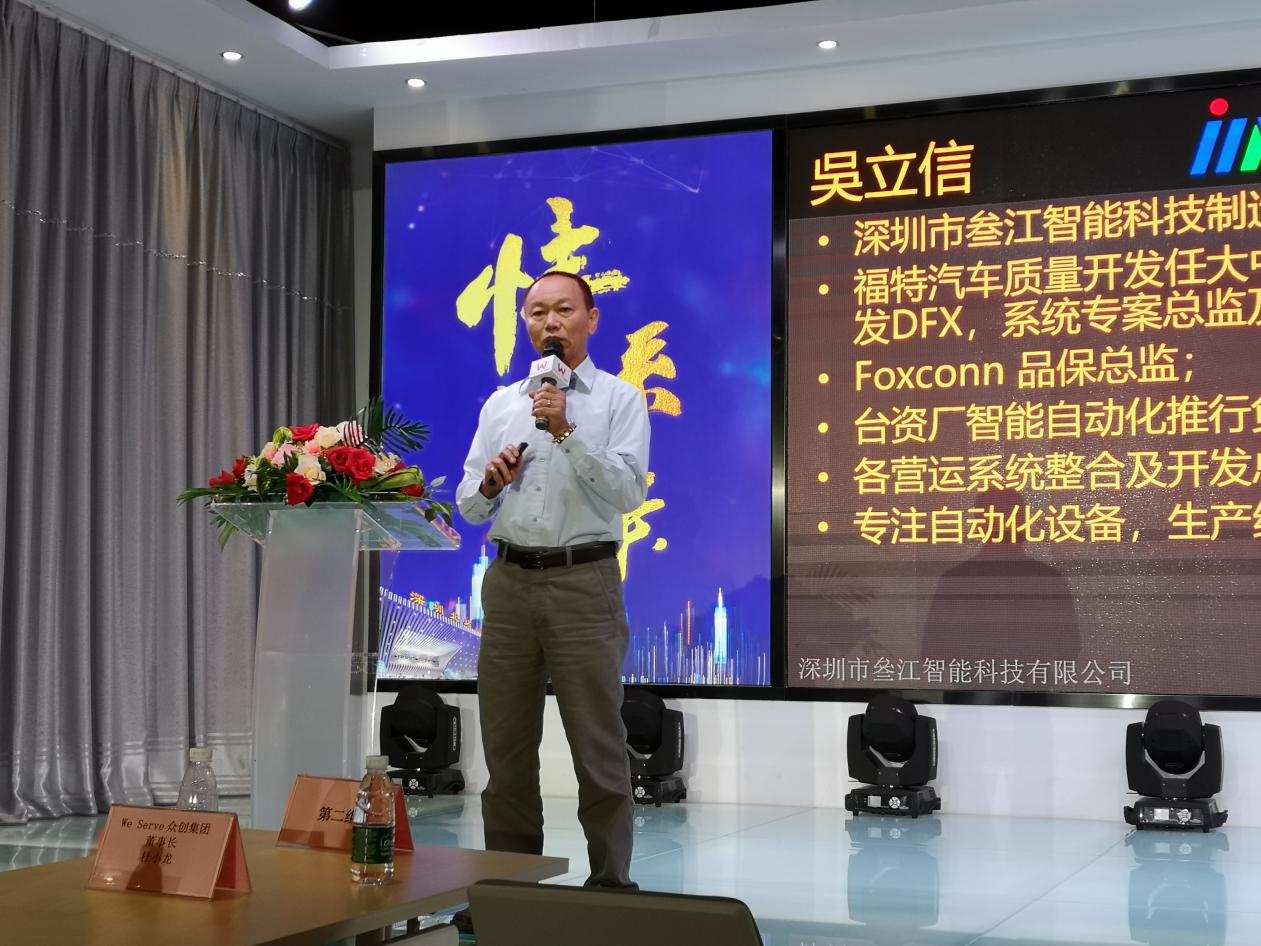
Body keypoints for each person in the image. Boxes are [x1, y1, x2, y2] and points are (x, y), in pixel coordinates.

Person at [456, 269, 650, 889]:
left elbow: (628, 491)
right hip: (509, 583)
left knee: (598, 746)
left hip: (583, 582)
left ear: (591, 319)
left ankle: (611, 890)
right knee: (506, 750)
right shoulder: (501, 404)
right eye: (537, 312)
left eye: (563, 310)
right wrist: (492, 484)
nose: (550, 323)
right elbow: (468, 504)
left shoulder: (619, 400)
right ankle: (512, 891)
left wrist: (566, 430)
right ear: (526, 324)